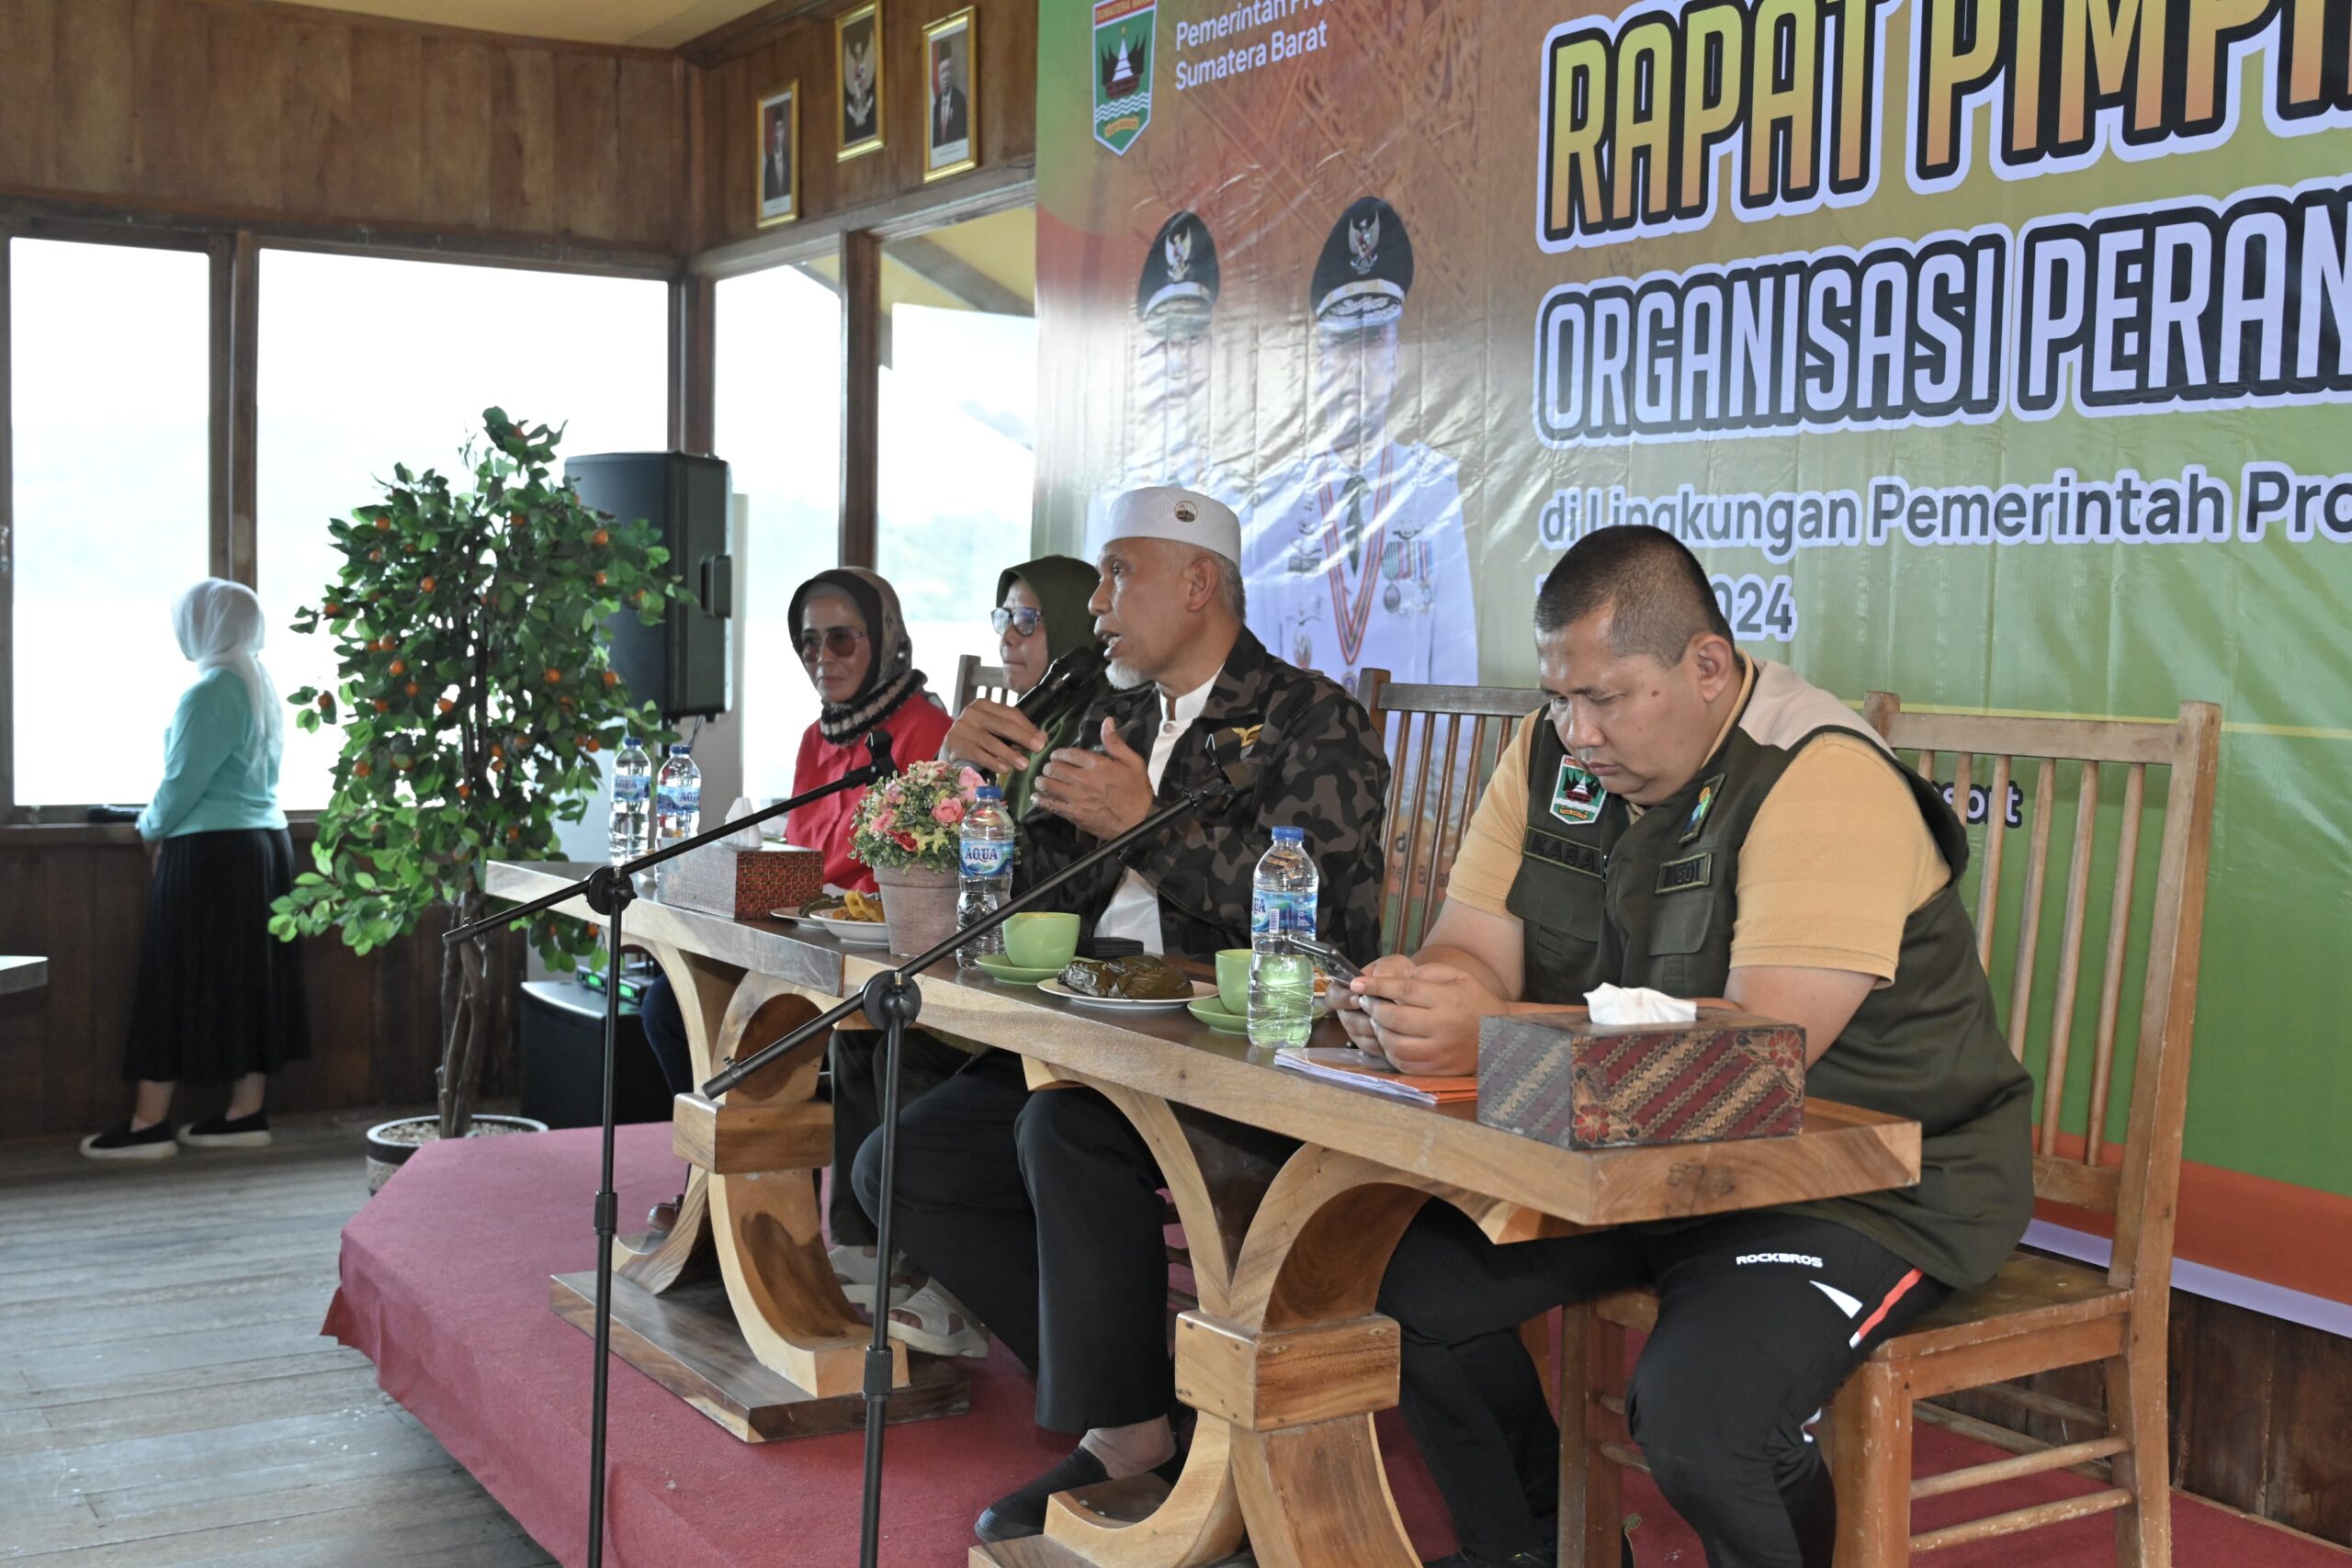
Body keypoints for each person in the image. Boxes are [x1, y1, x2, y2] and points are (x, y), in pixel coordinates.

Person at [1337, 526, 2035, 1568]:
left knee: (1705, 1421)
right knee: (1404, 1289)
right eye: (1559, 698)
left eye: (1606, 698)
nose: (1577, 731)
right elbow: (1470, 947)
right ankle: (1536, 1552)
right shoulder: (1548, 754)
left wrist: (1488, 1038)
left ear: (1708, 665)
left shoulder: (1819, 774)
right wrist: (1423, 1000)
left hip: (1855, 1185)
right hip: (1628, 1164)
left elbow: (1757, 1054)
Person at [854, 485, 1392, 1545]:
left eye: (1117, 576)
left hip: (1244, 1060)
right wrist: (962, 785)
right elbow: (1027, 899)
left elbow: (1324, 919)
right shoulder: (1116, 717)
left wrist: (1147, 825)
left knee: (1060, 1130)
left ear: (1197, 584)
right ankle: (1142, 1399)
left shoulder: (1309, 718)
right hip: (1091, 1037)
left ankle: (1126, 1434)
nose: (1096, 602)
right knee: (900, 1166)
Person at [637, 570, 953, 1262]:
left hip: (870, 953)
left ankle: (789, 1213)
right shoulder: (819, 735)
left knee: (773, 1024)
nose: (822, 657)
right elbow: (806, 854)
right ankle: (725, 1187)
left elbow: (922, 869)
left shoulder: (929, 730)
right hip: (798, 938)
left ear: (886, 639)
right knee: (665, 1004)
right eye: (808, 642)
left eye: (842, 639)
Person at [84, 580, 311, 1160]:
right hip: (265, 847)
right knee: (251, 981)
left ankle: (148, 1125)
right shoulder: (261, 686)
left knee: (172, 977)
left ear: (205, 626)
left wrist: (149, 827)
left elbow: (182, 782)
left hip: (209, 853)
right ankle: (245, 1114)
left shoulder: (210, 691)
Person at [1247, 196, 1477, 697]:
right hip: (1299, 748)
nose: (1357, 367)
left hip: (1403, 747)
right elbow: (1255, 661)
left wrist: (1445, 757)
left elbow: (1455, 668)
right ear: (1318, 360)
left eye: (1372, 341)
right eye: (1341, 344)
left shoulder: (1432, 489)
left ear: (1397, 354)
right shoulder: (1276, 500)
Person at [1085, 213, 1249, 547]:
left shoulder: (1246, 486)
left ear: (1217, 346)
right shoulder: (1111, 492)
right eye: (1163, 338)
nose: (1177, 360)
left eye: (1193, 336)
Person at [971, 554, 1106, 818]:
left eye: (1025, 619)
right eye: (1004, 618)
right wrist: (950, 759)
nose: (1007, 637)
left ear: (1073, 623)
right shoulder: (1029, 715)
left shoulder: (1099, 729)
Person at [932, 46, 968, 150]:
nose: (946, 76)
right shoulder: (936, 105)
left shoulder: (960, 100)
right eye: (942, 72)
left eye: (948, 70)